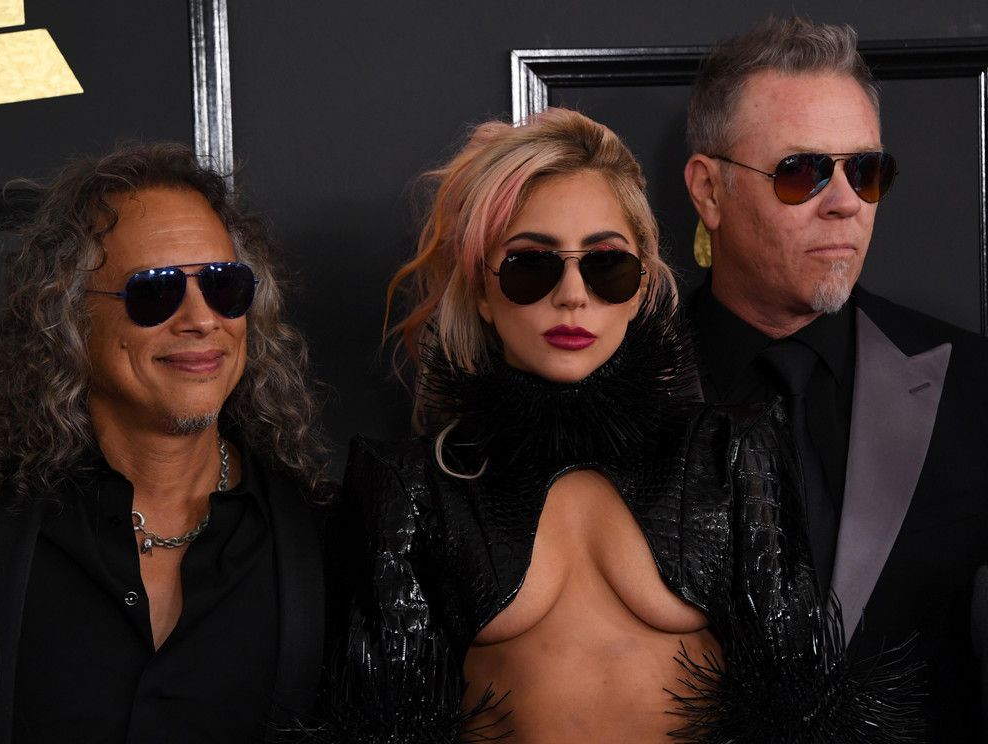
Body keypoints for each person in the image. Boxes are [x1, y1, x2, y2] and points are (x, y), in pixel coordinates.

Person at [302, 108, 920, 743]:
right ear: (482, 291)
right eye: (531, 265)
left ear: (642, 285)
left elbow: (802, 711)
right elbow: (386, 727)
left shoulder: (730, 452)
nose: (573, 295)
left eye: (606, 266)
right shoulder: (413, 488)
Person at [683, 16, 988, 740]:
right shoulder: (616, 391)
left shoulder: (975, 386)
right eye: (803, 172)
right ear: (709, 191)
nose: (846, 201)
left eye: (867, 171)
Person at [0, 143, 329, 742]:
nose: (202, 320)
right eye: (155, 291)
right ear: (68, 320)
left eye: (225, 286)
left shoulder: (323, 540)